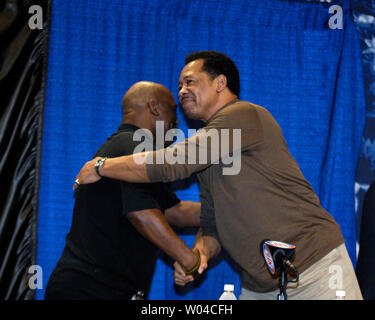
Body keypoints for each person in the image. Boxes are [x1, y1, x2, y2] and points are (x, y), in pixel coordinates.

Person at [74, 51, 363, 300]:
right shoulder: (209, 153)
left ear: (220, 83)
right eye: (179, 85)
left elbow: (175, 163)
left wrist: (101, 166)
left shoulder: (243, 115)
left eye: (190, 82)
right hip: (260, 287)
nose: (182, 91)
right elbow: (213, 225)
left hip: (316, 270)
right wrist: (198, 256)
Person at [45, 81, 201, 300]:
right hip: (90, 290)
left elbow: (175, 211)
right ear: (155, 108)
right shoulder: (136, 146)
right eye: (172, 111)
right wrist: (189, 259)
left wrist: (224, 212)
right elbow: (142, 213)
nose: (176, 123)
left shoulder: (127, 148)